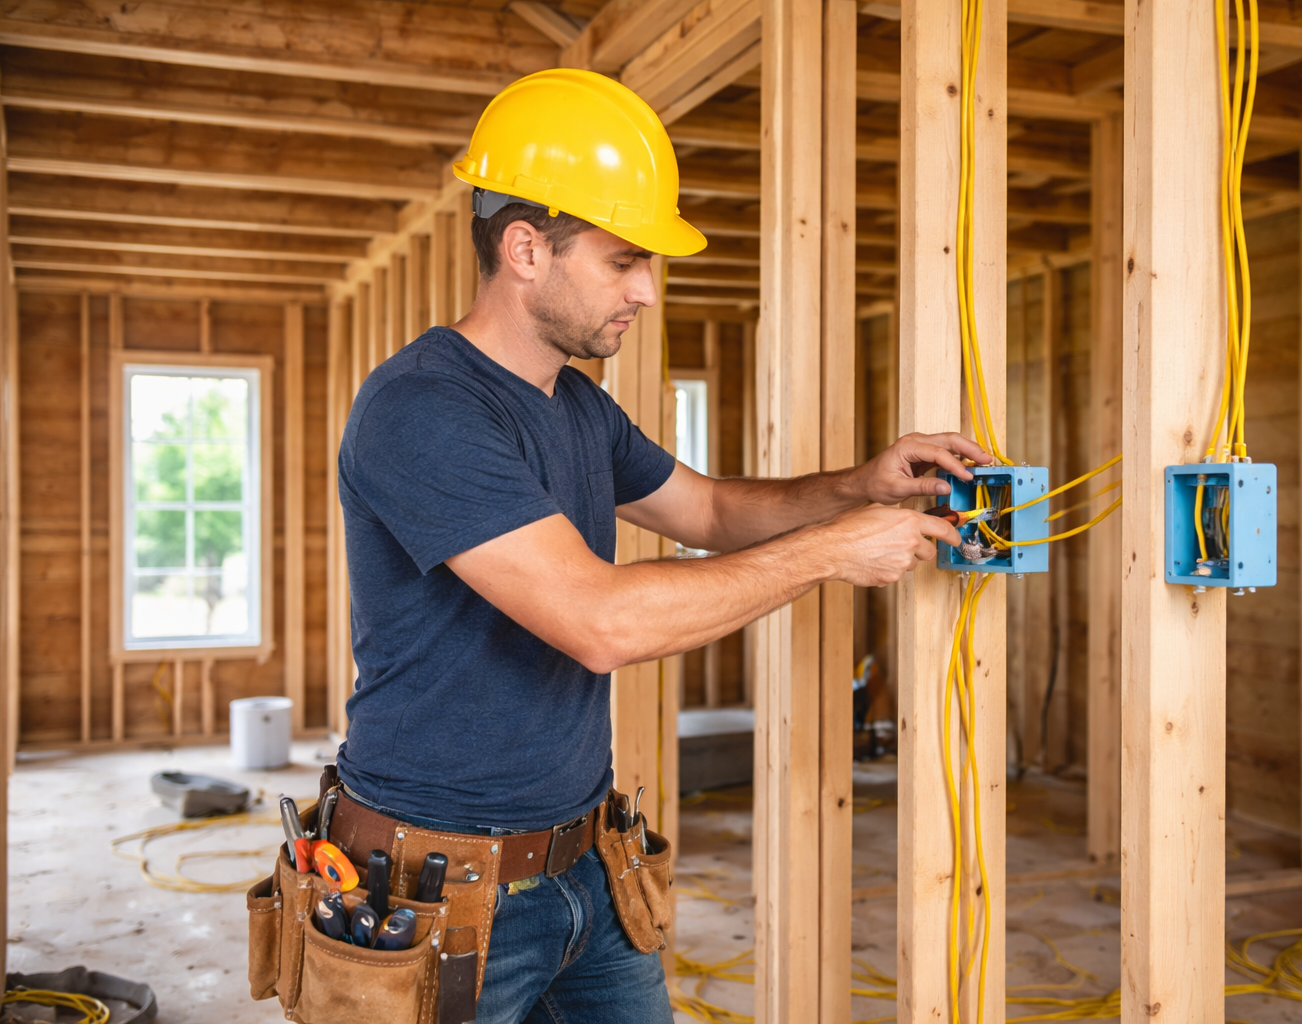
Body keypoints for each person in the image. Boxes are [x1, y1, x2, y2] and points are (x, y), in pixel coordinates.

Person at [330, 69, 984, 1024]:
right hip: (438, 890)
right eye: (623, 259)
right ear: (524, 248)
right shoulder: (424, 410)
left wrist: (862, 484)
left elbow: (713, 512)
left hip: (585, 868)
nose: (645, 288)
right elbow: (597, 621)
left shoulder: (580, 407)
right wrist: (832, 550)